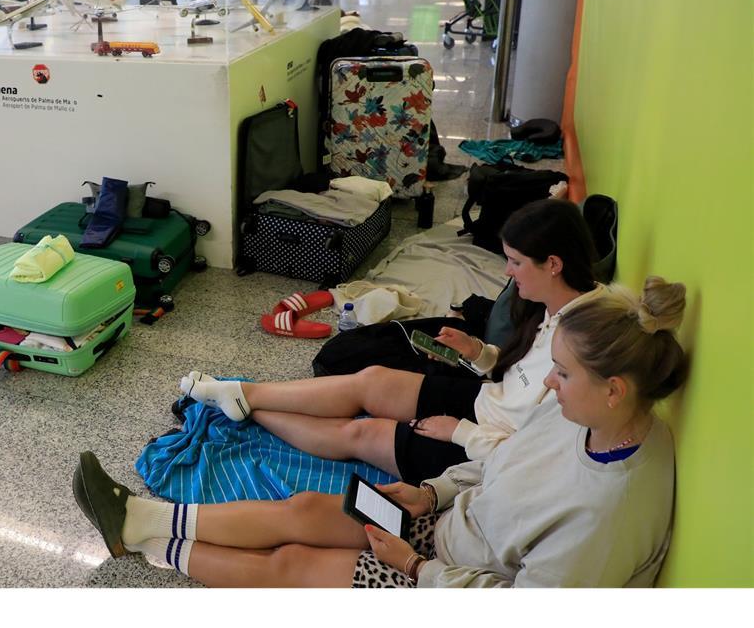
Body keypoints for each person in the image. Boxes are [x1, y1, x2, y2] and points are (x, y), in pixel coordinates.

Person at [74, 276, 687, 587]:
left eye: (561, 372)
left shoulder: (604, 515)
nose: (548, 384)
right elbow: (500, 461)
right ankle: (138, 522)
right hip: (452, 530)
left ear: (615, 388)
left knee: (292, 565)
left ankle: (148, 540)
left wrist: (417, 570)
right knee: (306, 508)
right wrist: (434, 494)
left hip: (454, 584)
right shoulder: (586, 412)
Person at [182, 198, 604, 484]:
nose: (508, 273)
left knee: (361, 435)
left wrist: (459, 432)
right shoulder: (551, 307)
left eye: (514, 262)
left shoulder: (584, 343)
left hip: (487, 449)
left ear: (552, 264)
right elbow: (520, 380)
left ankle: (248, 408)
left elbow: (536, 449)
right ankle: (241, 392)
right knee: (374, 379)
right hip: (486, 402)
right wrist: (479, 354)